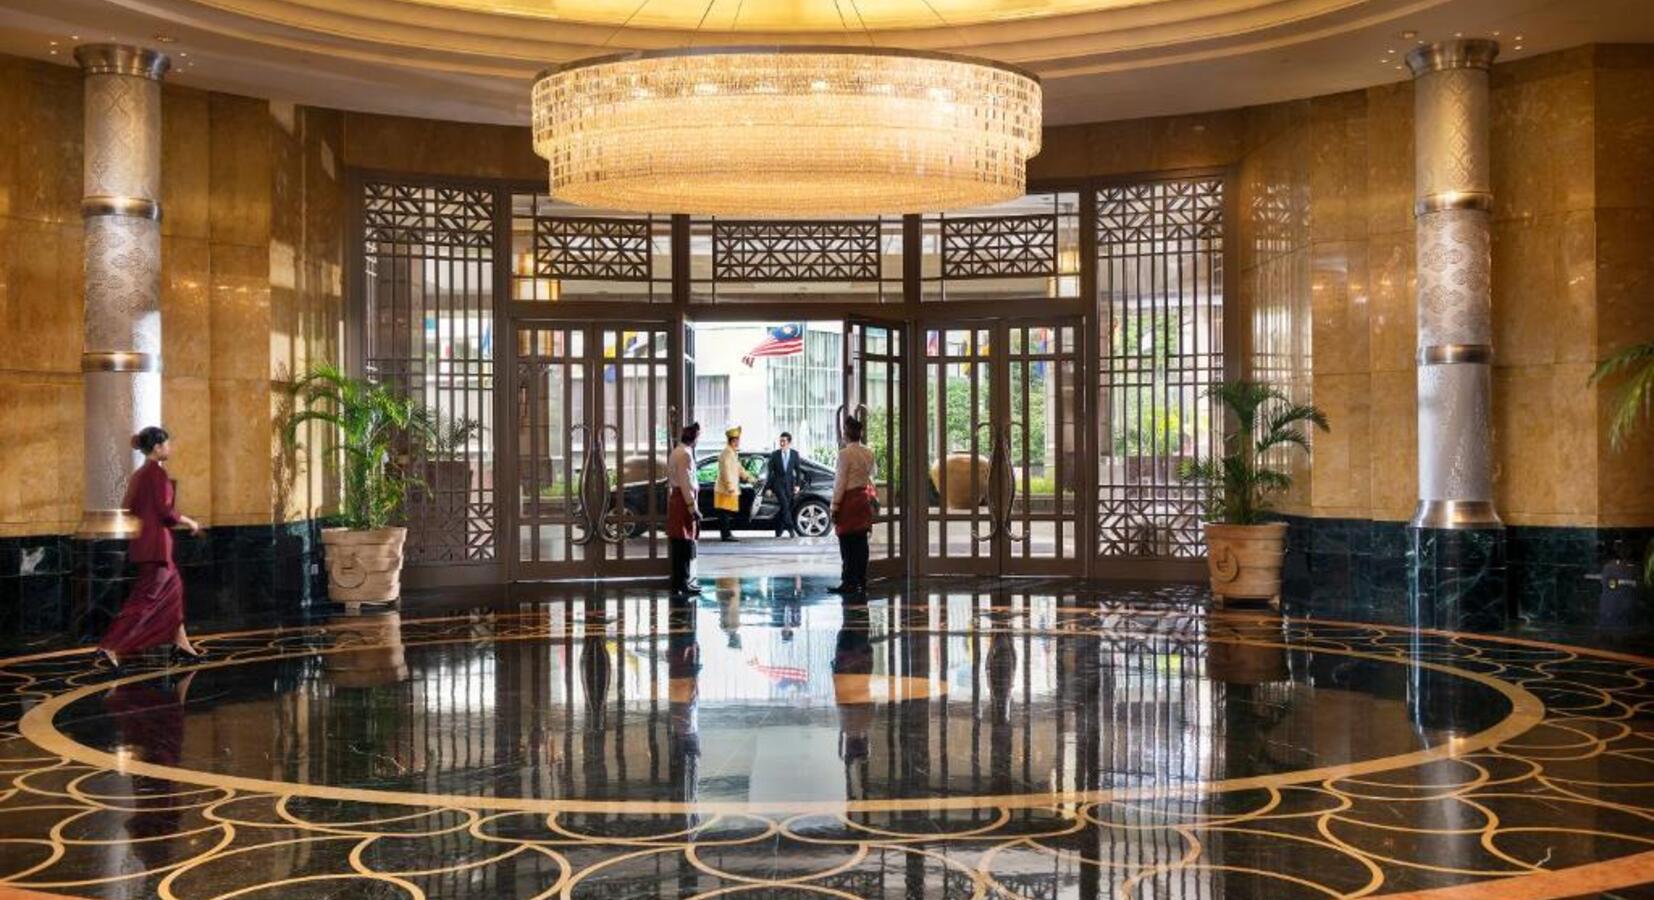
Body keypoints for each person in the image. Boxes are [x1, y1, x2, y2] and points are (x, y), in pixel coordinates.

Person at [96, 426, 205, 670]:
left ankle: (182, 644)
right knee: (144, 601)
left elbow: (129, 507)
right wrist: (191, 522)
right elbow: (165, 512)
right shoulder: (156, 474)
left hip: (146, 546)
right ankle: (110, 645)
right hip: (157, 549)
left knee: (174, 591)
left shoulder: (140, 475)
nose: (170, 448)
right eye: (167, 444)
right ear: (157, 447)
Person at [830, 416, 877, 595]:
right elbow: (872, 474)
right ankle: (861, 579)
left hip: (849, 500)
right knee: (861, 541)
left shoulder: (844, 454)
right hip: (862, 499)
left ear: (846, 433)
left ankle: (848, 581)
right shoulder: (868, 452)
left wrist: (835, 507)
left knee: (847, 542)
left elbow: (840, 482)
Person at [667, 422, 702, 596]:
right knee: (684, 544)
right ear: (694, 437)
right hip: (683, 502)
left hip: (679, 500)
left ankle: (682, 582)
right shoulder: (685, 455)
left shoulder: (677, 452)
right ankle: (682, 582)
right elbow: (686, 483)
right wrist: (692, 508)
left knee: (680, 543)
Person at [713, 426, 757, 542]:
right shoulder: (726, 453)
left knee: (726, 512)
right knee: (724, 512)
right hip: (725, 489)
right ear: (732, 441)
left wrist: (750, 478)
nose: (738, 443)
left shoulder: (731, 453)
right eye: (737, 440)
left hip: (727, 488)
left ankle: (726, 534)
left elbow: (739, 469)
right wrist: (730, 487)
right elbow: (725, 472)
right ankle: (726, 535)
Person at [764, 432, 805, 538]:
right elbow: (770, 473)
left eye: (784, 441)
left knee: (785, 507)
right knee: (785, 505)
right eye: (780, 441)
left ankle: (779, 530)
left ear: (789, 442)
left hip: (790, 484)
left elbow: (798, 471)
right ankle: (791, 529)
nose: (781, 443)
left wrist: (797, 485)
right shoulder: (775, 454)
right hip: (778, 484)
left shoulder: (795, 454)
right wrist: (768, 488)